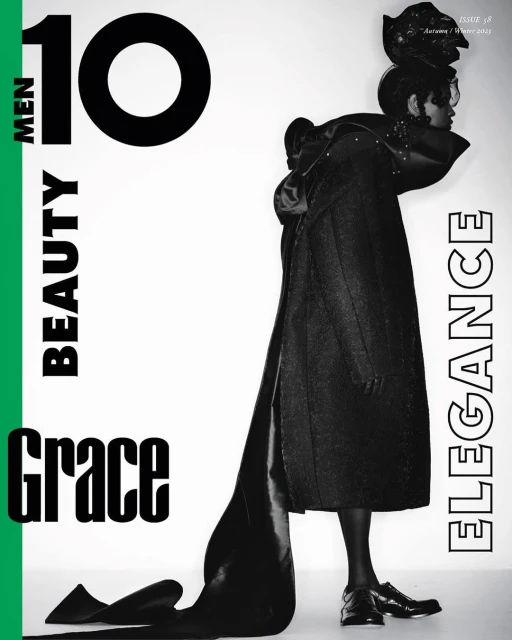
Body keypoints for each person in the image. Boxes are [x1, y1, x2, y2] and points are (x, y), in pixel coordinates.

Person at [24, 3, 470, 638]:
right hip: (347, 335)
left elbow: (326, 235)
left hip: (338, 332)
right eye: (445, 100)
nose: (451, 112)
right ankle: (359, 587)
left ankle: (362, 582)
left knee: (359, 458)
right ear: (418, 102)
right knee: (355, 454)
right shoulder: (360, 150)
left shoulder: (356, 149)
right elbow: (343, 253)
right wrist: (367, 348)